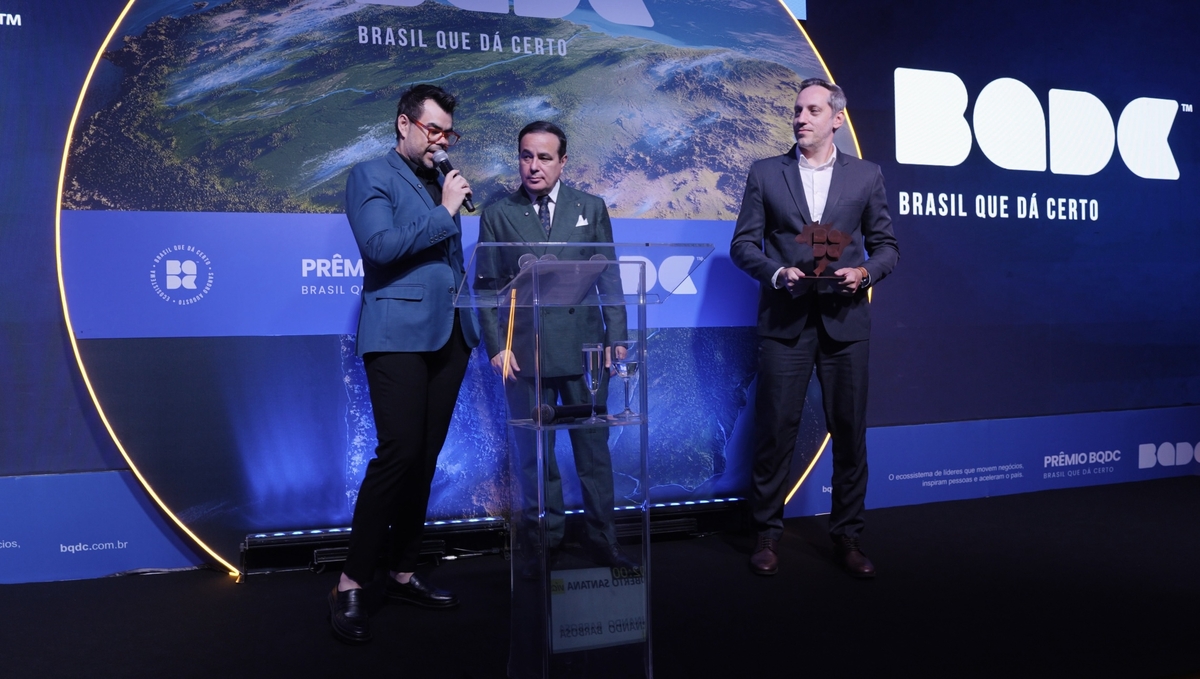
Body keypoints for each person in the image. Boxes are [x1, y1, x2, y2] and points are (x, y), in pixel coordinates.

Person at [330, 84, 481, 644]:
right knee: (399, 453)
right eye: (433, 129)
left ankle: (402, 569)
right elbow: (380, 247)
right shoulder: (371, 175)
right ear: (403, 124)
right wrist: (445, 211)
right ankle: (350, 581)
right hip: (397, 334)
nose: (441, 141)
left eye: (448, 133)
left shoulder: (440, 181)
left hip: (450, 335)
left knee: (425, 459)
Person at [730, 78, 899, 579]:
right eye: (797, 110)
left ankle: (848, 537)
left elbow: (887, 248)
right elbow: (743, 245)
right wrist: (776, 272)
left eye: (812, 110)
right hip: (785, 322)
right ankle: (766, 534)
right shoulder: (766, 173)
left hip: (846, 323)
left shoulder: (866, 175)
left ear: (836, 119)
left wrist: (863, 273)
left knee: (848, 433)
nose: (800, 118)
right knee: (774, 431)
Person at [476, 120, 634, 571]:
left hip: (585, 351)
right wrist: (497, 346)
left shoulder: (591, 207)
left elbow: (610, 277)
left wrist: (616, 337)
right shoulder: (498, 213)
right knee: (534, 457)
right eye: (526, 156)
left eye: (544, 157)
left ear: (563, 162)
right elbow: (486, 289)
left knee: (593, 452)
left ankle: (603, 540)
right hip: (523, 352)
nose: (533, 166)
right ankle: (544, 542)